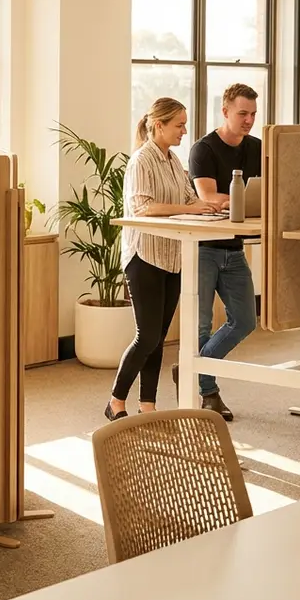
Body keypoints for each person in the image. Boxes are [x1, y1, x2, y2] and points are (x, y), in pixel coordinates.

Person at [108, 98, 220, 422]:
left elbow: (186, 198)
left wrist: (205, 205)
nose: (185, 131)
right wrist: (189, 208)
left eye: (185, 124)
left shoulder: (173, 161)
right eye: (179, 125)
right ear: (159, 125)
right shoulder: (140, 161)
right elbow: (143, 207)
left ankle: (148, 405)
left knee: (158, 339)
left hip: (172, 256)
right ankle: (115, 400)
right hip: (144, 256)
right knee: (148, 336)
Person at [183, 83, 262, 422]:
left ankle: (190, 368)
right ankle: (208, 392)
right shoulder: (204, 149)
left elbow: (273, 190)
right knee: (200, 326)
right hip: (203, 249)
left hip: (235, 247)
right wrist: (249, 202)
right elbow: (209, 197)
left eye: (254, 115)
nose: (249, 120)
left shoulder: (258, 147)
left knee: (245, 321)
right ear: (225, 111)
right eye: (243, 113)